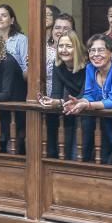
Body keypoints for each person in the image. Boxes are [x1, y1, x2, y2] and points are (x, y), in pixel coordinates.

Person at [63, 34, 112, 166]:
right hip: (107, 125)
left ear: (111, 53)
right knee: (105, 164)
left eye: (101, 50)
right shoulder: (91, 68)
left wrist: (88, 105)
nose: (96, 54)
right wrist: (81, 102)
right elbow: (89, 94)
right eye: (92, 50)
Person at [38, 29, 87, 160]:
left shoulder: (87, 65)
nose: (64, 50)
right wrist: (50, 100)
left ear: (76, 48)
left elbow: (84, 94)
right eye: (61, 46)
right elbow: (56, 93)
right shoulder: (58, 65)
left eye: (69, 46)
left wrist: (59, 101)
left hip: (85, 111)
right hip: (67, 110)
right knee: (53, 152)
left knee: (76, 156)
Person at [0, 4, 28, 78]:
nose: (0, 18)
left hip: (16, 82)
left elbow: (26, 68)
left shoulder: (21, 39)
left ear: (12, 20)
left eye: (4, 16)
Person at [45, 13, 75, 96]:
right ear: (52, 30)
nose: (61, 31)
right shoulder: (41, 51)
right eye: (57, 28)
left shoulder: (77, 52)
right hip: (46, 98)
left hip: (69, 99)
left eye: (66, 28)